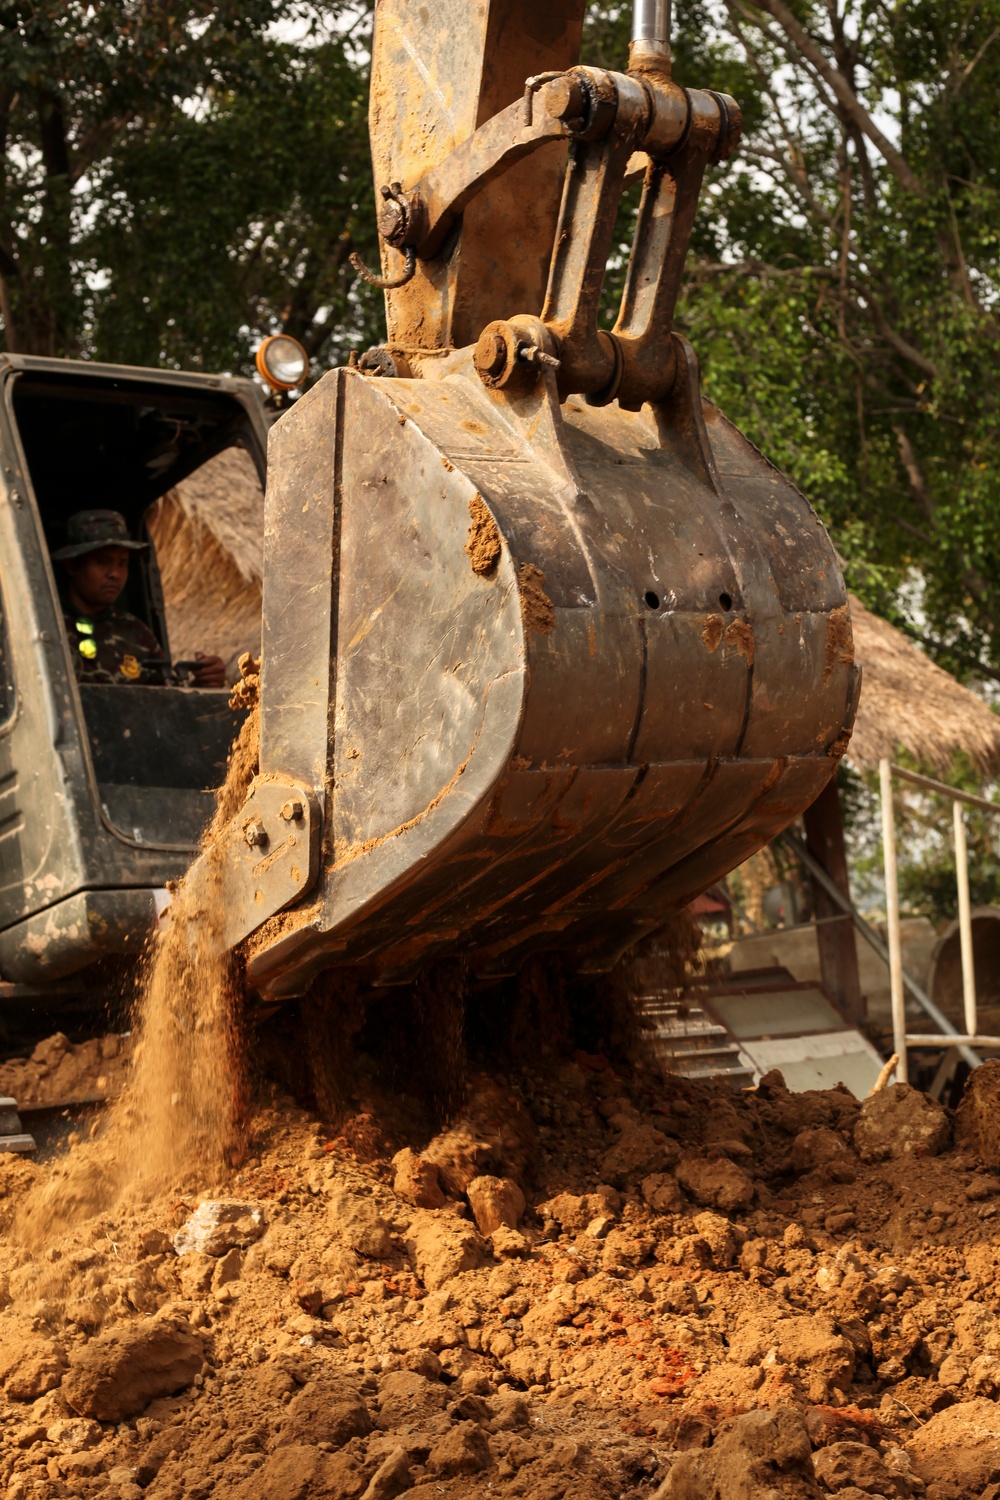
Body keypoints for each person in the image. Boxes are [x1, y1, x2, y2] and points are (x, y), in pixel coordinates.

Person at [53, 510, 226, 687]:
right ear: (72, 565)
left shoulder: (136, 633)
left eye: (122, 563)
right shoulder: (48, 628)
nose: (115, 574)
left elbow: (168, 702)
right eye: (102, 561)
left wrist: (205, 682)